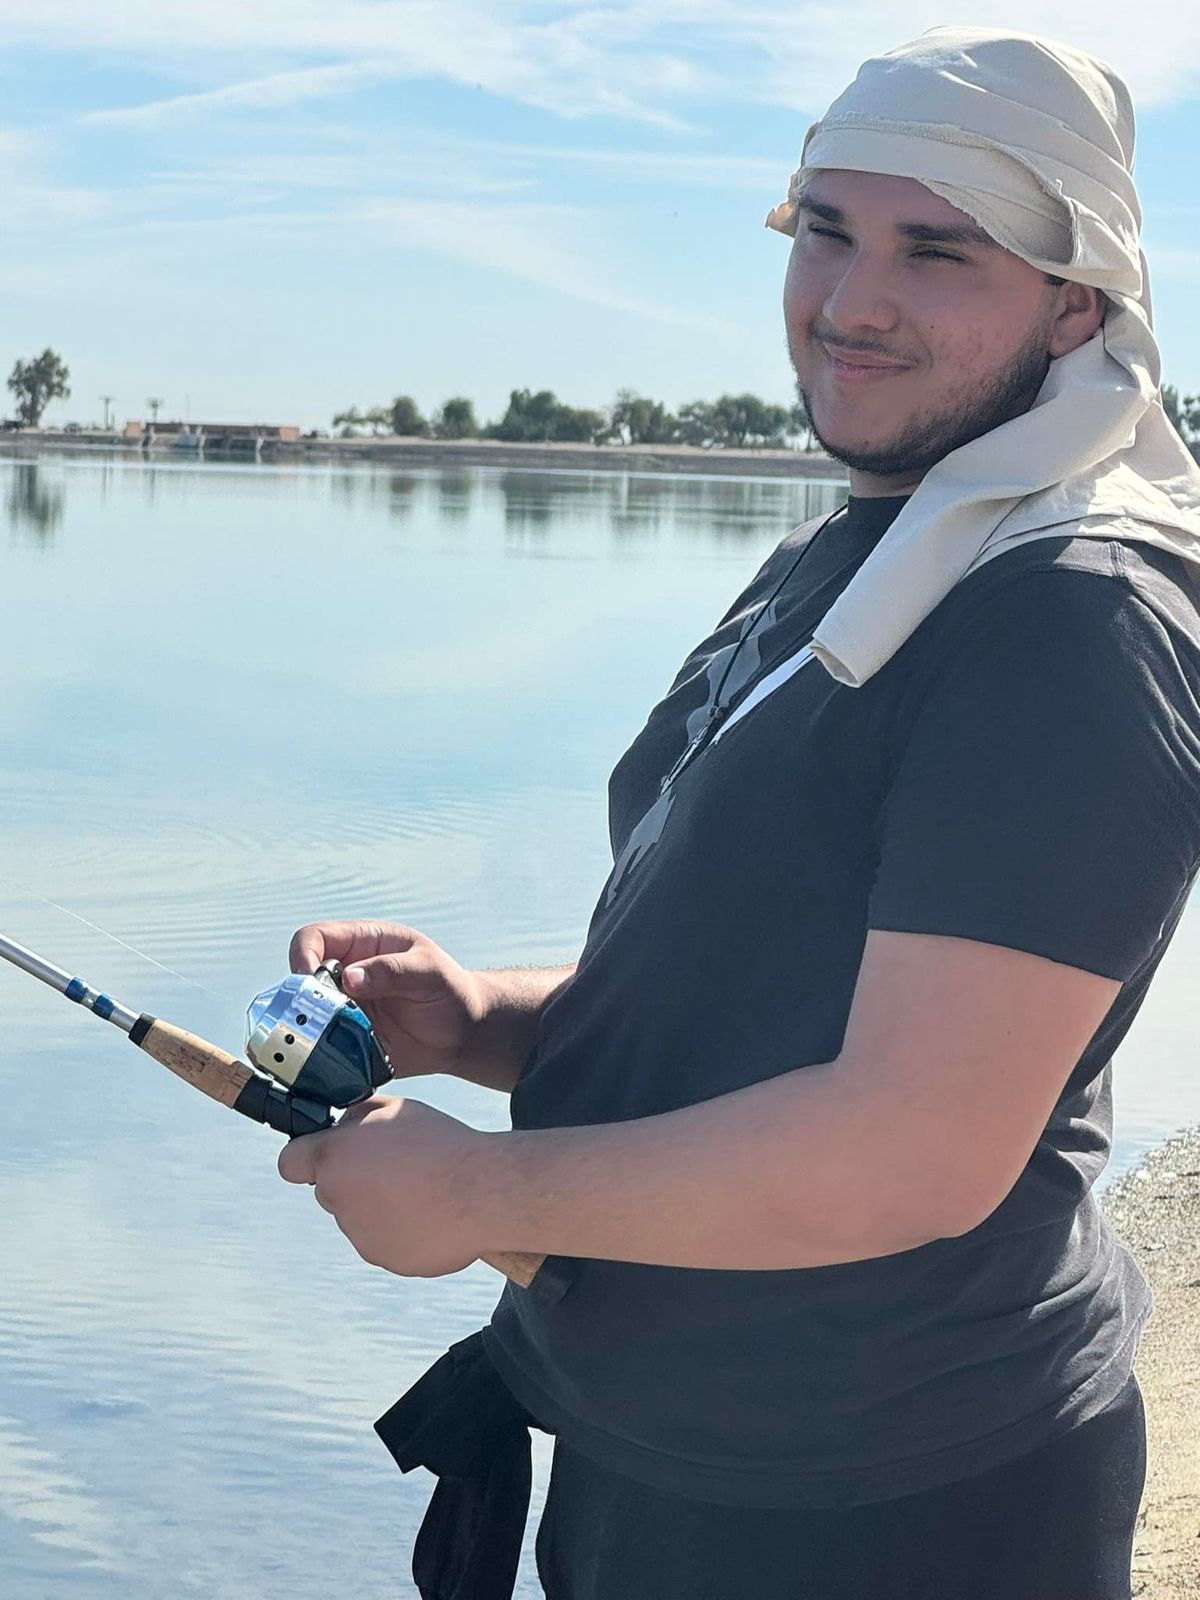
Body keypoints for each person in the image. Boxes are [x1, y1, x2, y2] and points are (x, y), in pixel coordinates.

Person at [277, 27, 1200, 1600]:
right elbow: (775, 973)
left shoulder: (1070, 614)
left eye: (937, 250)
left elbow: (914, 1145)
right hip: (678, 1445)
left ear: (1077, 299)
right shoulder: (889, 531)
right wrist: (490, 1018)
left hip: (893, 1496)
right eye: (826, 229)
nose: (852, 303)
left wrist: (482, 1192)